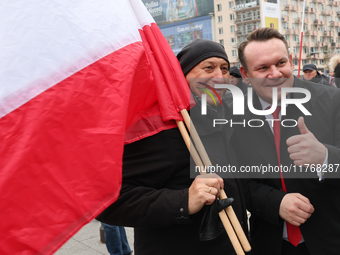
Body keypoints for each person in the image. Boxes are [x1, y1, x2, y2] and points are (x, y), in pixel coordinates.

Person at [97, 39, 248, 255]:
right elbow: (109, 200)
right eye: (208, 67)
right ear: (182, 76)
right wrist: (183, 201)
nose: (220, 76)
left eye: (224, 68)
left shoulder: (222, 120)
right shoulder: (164, 129)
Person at [231, 27, 340, 255]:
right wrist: (274, 202)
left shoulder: (332, 101)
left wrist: (326, 157)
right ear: (245, 74)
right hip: (270, 244)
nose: (275, 73)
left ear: (290, 60)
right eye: (263, 68)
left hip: (330, 241)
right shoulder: (235, 115)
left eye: (281, 63)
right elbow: (238, 182)